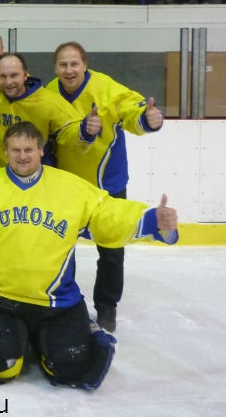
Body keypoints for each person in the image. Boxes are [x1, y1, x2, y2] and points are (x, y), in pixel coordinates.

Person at [0, 121, 179, 389]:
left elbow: (107, 214)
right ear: (5, 151)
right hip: (1, 300)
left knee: (70, 369)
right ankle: (10, 340)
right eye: (16, 150)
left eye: (29, 150)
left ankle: (72, 330)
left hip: (56, 302)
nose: (22, 156)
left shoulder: (69, 187)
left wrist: (152, 219)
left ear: (41, 150)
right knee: (1, 368)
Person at [47, 41, 165, 331]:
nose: (69, 70)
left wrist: (147, 118)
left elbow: (132, 109)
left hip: (107, 185)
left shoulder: (106, 88)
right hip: (67, 187)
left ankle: (107, 306)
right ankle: (62, 303)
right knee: (59, 248)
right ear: (55, 68)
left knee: (111, 250)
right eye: (63, 64)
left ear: (85, 65)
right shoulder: (49, 94)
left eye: (74, 64)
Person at [0, 53, 98, 169]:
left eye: (14, 75)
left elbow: (70, 132)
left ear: (25, 75)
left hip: (38, 174)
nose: (8, 82)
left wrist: (86, 130)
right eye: (2, 76)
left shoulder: (48, 102)